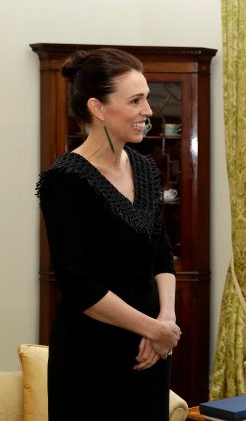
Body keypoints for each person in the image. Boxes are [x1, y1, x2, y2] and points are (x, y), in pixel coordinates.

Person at [36, 48, 182, 420]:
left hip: (149, 353)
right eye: (136, 100)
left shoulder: (146, 168)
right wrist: (152, 328)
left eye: (146, 98)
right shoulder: (64, 180)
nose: (148, 110)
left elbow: (162, 253)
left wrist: (165, 321)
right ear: (98, 108)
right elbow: (78, 283)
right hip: (90, 358)